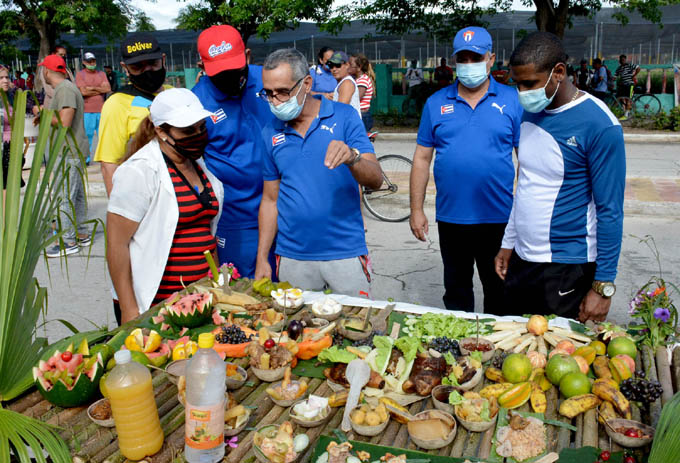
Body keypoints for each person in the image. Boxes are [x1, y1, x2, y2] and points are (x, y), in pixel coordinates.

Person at [494, 32, 625, 323]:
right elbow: (525, 183)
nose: (522, 92)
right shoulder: (530, 113)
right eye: (517, 84)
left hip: (567, 268)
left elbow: (610, 211)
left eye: (530, 84)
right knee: (514, 353)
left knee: (561, 360)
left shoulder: (600, 126)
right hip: (523, 261)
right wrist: (508, 243)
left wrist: (602, 287)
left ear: (559, 72)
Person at [410, 26, 522, 313]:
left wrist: (524, 211)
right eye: (463, 59)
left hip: (498, 218)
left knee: (500, 291)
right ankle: (462, 352)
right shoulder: (436, 103)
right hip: (452, 219)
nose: (469, 65)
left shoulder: (512, 101)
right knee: (457, 292)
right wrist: (416, 209)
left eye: (476, 58)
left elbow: (528, 161)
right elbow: (422, 158)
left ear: (491, 59)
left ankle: (497, 353)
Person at [255, 48, 383, 296]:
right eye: (268, 94)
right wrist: (262, 257)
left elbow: (376, 179)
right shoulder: (270, 132)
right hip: (292, 258)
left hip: (345, 253)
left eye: (283, 92)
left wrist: (352, 158)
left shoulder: (344, 117)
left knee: (357, 329)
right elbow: (270, 200)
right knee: (298, 332)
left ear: (307, 83)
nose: (275, 101)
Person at [107, 88, 223, 324]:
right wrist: (130, 309)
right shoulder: (139, 171)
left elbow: (205, 232)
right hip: (157, 302)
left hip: (201, 298)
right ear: (161, 131)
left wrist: (217, 285)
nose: (198, 135)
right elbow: (116, 245)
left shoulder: (198, 165)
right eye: (188, 130)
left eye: (201, 127)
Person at [191, 25, 277, 278]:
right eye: (220, 73)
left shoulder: (270, 82)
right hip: (236, 221)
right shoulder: (196, 103)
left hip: (285, 211)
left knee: (292, 296)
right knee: (245, 297)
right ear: (202, 66)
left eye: (234, 69)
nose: (229, 77)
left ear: (248, 56)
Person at [94, 33, 168, 196]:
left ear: (163, 60)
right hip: (144, 196)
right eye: (137, 67)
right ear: (125, 69)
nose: (147, 70)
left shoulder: (175, 94)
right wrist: (119, 215)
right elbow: (109, 165)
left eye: (152, 63)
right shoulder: (117, 104)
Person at [36, 54, 91, 258]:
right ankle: (82, 233)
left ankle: (68, 241)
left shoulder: (65, 89)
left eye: (42, 70)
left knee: (64, 197)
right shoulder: (65, 88)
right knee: (76, 196)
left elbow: (64, 121)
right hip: (71, 150)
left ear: (47, 71)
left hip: (67, 150)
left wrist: (42, 113)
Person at [76, 52, 111, 157]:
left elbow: (108, 89)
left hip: (101, 109)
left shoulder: (101, 74)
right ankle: (86, 158)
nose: (92, 63)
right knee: (88, 135)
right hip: (87, 110)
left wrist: (92, 88)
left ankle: (106, 156)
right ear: (84, 62)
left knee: (104, 135)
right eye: (89, 61)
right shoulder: (80, 74)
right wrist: (100, 90)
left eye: (93, 61)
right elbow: (83, 92)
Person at [327, 51, 361, 118]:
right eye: (331, 66)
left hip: (349, 127)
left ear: (347, 65)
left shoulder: (347, 83)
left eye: (338, 65)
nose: (334, 69)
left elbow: (340, 111)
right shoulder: (343, 83)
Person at [349, 53, 376, 131]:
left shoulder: (363, 80)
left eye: (351, 65)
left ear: (359, 67)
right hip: (359, 114)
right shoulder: (356, 79)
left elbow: (356, 97)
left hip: (362, 116)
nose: (348, 67)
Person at [615, 54, 640, 120]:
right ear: (619, 61)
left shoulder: (629, 65)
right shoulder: (619, 68)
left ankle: (626, 115)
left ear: (625, 60)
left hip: (630, 85)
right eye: (621, 60)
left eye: (623, 60)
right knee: (623, 99)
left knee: (628, 99)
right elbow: (615, 76)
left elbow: (638, 68)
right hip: (623, 85)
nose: (622, 61)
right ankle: (626, 113)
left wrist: (634, 75)